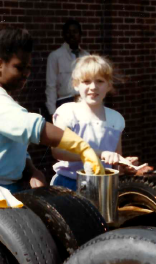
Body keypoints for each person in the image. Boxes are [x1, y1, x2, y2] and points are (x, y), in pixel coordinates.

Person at [0, 27, 105, 205]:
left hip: (3, 187)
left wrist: (32, 170)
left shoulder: (6, 102)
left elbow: (14, 145)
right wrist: (81, 146)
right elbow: (31, 127)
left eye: (28, 68)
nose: (26, 73)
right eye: (19, 67)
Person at [51, 55, 138, 191]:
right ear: (76, 85)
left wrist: (125, 165)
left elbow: (115, 165)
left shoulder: (116, 119)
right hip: (68, 183)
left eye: (100, 81)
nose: (93, 87)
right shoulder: (67, 112)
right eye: (86, 81)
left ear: (109, 85)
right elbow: (57, 151)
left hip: (103, 186)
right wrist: (100, 153)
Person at [45, 19, 90, 117]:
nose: (71, 35)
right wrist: (52, 112)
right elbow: (51, 86)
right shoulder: (55, 56)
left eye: (75, 32)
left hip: (84, 103)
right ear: (63, 35)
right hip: (64, 103)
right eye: (68, 32)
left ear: (80, 34)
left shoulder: (86, 56)